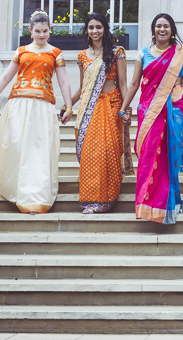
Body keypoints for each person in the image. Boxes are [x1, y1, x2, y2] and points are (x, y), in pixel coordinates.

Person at [121, 13, 183, 223]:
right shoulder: (143, 54)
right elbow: (134, 84)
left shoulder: (182, 52)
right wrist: (124, 108)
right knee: (149, 156)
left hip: (176, 109)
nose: (162, 29)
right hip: (149, 109)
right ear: (153, 30)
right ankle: (147, 205)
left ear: (172, 31)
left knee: (170, 155)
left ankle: (170, 204)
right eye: (158, 26)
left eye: (166, 26)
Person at [0, 10, 73, 214]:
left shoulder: (55, 53)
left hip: (43, 105)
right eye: (38, 31)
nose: (41, 35)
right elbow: (6, 77)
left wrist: (68, 106)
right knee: (17, 145)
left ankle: (36, 197)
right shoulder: (21, 51)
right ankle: (18, 191)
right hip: (19, 103)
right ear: (30, 31)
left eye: (45, 31)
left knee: (39, 148)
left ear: (50, 31)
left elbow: (64, 81)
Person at [69, 13, 132, 214]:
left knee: (108, 153)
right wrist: (67, 105)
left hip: (112, 106)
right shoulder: (81, 56)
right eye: (91, 27)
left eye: (98, 27)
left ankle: (107, 199)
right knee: (89, 154)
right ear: (86, 31)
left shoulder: (117, 53)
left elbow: (123, 83)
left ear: (105, 29)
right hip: (89, 109)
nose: (95, 31)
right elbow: (82, 88)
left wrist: (126, 110)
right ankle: (89, 200)